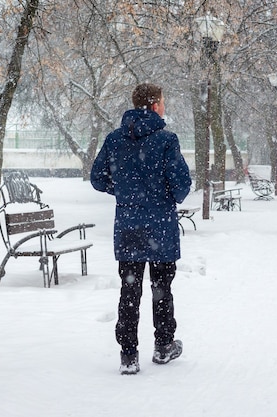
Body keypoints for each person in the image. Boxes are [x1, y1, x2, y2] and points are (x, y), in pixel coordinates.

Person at [90, 83, 192, 375]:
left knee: (129, 290)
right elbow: (182, 187)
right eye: (163, 101)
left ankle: (129, 355)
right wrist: (161, 195)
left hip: (129, 226)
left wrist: (124, 192)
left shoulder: (114, 139)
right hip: (160, 227)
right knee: (161, 288)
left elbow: (98, 178)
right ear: (156, 105)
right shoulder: (166, 140)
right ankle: (163, 346)